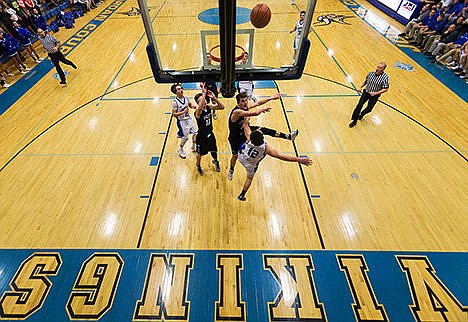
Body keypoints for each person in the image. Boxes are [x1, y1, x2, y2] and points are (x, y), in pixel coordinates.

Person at [228, 92, 299, 181]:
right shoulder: (237, 112)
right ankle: (231, 169)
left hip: (245, 130)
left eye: (246, 100)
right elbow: (255, 113)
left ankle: (288, 136)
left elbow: (257, 103)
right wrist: (262, 109)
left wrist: (271, 98)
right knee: (235, 156)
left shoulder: (245, 107)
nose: (245, 103)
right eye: (242, 101)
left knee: (264, 129)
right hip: (235, 138)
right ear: (238, 103)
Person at [236, 120, 312, 201]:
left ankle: (232, 166)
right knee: (249, 178)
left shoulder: (248, 137)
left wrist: (247, 117)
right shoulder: (266, 148)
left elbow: (245, 125)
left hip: (241, 157)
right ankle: (241, 195)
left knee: (242, 143)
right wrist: (299, 160)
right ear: (262, 138)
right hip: (250, 165)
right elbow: (282, 156)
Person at [193, 84, 225, 175]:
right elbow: (199, 107)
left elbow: (222, 107)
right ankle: (198, 164)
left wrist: (214, 98)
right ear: (198, 103)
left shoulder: (209, 107)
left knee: (214, 150)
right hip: (201, 137)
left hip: (210, 134)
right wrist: (204, 94)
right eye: (201, 101)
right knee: (200, 154)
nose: (204, 102)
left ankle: (215, 161)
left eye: (205, 100)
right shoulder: (197, 112)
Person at [349, 62, 389, 128]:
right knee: (359, 105)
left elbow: (385, 89)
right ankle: (354, 120)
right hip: (366, 92)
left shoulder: (385, 77)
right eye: (378, 66)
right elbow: (366, 81)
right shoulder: (370, 73)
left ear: (383, 69)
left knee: (369, 109)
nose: (378, 68)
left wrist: (375, 93)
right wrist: (360, 87)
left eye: (380, 67)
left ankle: (361, 114)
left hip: (375, 95)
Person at [170, 83, 197, 159]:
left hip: (188, 119)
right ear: (175, 92)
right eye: (178, 89)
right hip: (181, 121)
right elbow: (174, 114)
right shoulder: (175, 102)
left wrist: (192, 106)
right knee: (185, 137)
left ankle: (193, 146)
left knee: (195, 132)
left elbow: (189, 104)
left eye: (181, 88)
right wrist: (183, 112)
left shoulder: (186, 97)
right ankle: (180, 149)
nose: (181, 90)